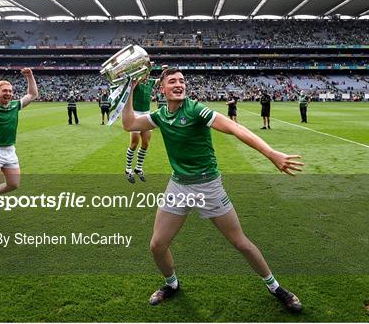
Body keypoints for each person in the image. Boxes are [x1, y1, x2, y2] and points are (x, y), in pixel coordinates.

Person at [122, 68, 304, 312]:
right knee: (157, 245)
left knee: (240, 242)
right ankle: (172, 284)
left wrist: (271, 153)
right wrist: (129, 91)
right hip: (178, 185)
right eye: (172, 81)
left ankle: (276, 288)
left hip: (208, 186)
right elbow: (129, 124)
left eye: (182, 81)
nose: (179, 84)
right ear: (162, 89)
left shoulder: (196, 109)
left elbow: (234, 128)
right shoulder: (161, 116)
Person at [0, 62, 38, 227]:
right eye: (5, 91)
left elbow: (32, 94)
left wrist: (30, 76)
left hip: (10, 150)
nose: (8, 93)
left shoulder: (14, 106)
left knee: (13, 184)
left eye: (10, 91)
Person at [124, 75, 159, 183]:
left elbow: (160, 80)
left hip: (146, 113)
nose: (147, 75)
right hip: (135, 114)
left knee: (145, 143)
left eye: (148, 72)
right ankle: (128, 169)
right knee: (134, 143)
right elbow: (128, 87)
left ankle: (138, 168)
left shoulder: (151, 81)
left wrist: (165, 70)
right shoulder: (136, 81)